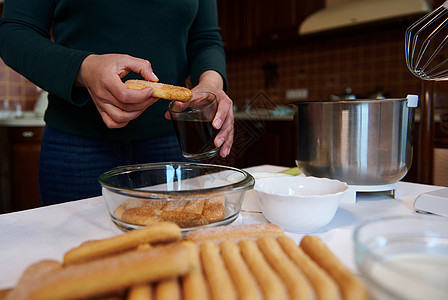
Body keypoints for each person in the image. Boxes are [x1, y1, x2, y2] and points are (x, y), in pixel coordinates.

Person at [0, 0, 234, 205]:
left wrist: (211, 83)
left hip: (170, 145)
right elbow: (14, 31)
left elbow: (205, 39)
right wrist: (84, 69)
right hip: (76, 146)